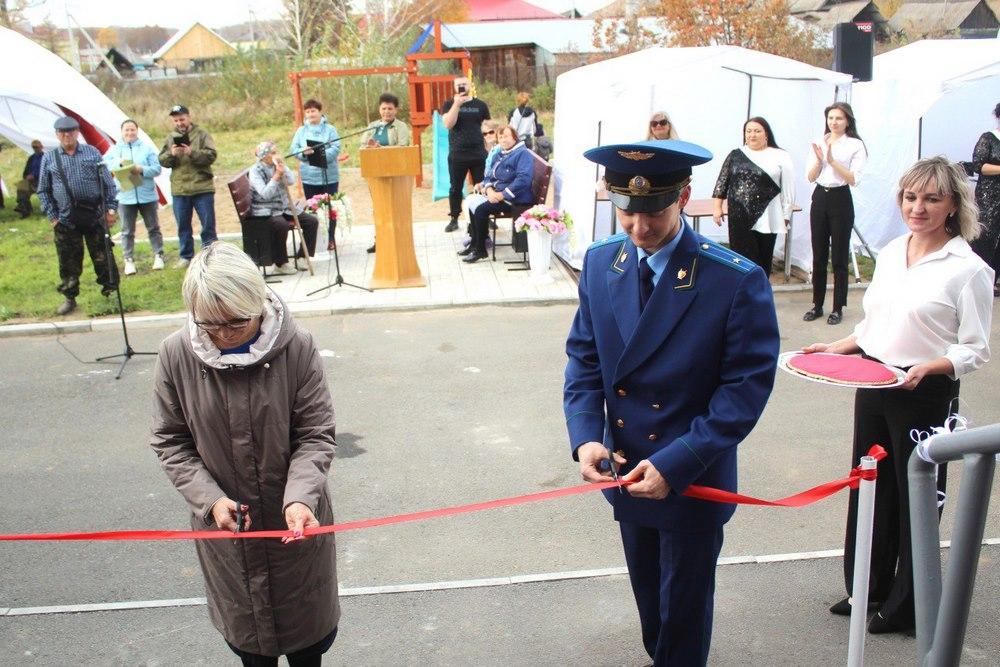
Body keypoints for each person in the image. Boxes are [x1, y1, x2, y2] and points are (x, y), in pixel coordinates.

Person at [564, 140, 780, 666]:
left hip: (690, 475)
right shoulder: (601, 263)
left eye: (653, 211)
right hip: (626, 471)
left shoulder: (733, 279)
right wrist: (587, 436)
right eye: (627, 210)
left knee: (682, 620)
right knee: (652, 614)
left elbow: (744, 389)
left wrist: (676, 462)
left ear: (684, 197)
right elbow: (585, 359)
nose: (638, 226)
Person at [803, 157, 993, 635]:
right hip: (874, 380)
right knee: (870, 485)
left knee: (917, 497)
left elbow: (975, 348)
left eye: (932, 198)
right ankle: (867, 588)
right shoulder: (890, 252)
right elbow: (875, 325)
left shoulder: (967, 268)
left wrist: (934, 366)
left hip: (925, 391)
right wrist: (839, 345)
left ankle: (908, 604)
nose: (919, 207)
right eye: (911, 197)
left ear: (952, 205)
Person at [150, 241, 340, 667]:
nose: (223, 333)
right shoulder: (175, 354)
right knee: (250, 647)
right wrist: (210, 500)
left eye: (236, 322)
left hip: (298, 527)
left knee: (307, 645)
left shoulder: (298, 348)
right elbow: (170, 440)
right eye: (209, 324)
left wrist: (300, 497)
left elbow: (315, 434)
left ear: (257, 303)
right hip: (228, 536)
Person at [37, 116, 119, 316]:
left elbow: (108, 184)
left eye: (71, 131)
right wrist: (53, 216)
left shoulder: (92, 152)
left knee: (104, 257)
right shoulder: (49, 158)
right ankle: (70, 297)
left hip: (95, 216)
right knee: (68, 262)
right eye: (63, 132)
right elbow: (43, 190)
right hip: (65, 220)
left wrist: (110, 209)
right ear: (57, 135)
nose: (67, 135)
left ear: (77, 132)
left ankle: (111, 292)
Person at [803, 102, 867, 325]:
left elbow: (854, 179)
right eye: (831, 118)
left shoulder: (855, 145)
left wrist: (833, 162)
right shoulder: (818, 142)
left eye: (839, 118)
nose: (834, 122)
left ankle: (838, 307)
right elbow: (810, 177)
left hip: (841, 198)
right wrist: (821, 162)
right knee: (819, 255)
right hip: (820, 197)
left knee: (839, 257)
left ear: (847, 120)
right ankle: (817, 304)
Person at [712, 116, 795, 276]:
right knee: (741, 260)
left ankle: (761, 295)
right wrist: (717, 207)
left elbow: (789, 188)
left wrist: (786, 214)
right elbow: (722, 182)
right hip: (739, 215)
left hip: (768, 216)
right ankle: (741, 297)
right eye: (748, 131)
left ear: (766, 134)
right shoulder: (736, 154)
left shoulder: (781, 155)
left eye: (757, 131)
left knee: (763, 261)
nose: (752, 135)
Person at [457, 125, 534, 264]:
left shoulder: (522, 154)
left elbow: (523, 179)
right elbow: (488, 176)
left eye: (507, 136)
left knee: (481, 210)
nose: (503, 140)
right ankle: (474, 244)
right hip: (497, 193)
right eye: (500, 137)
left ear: (514, 137)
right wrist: (489, 190)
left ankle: (480, 250)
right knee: (472, 205)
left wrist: (502, 195)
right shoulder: (501, 153)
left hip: (516, 199)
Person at [158, 104, 218, 269]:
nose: (179, 123)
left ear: (189, 117)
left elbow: (212, 156)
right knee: (183, 225)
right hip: (180, 189)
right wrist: (172, 154)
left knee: (207, 224)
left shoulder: (202, 134)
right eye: (176, 120)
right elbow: (162, 160)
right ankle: (186, 256)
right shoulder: (171, 137)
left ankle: (211, 255)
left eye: (182, 119)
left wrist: (192, 153)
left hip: (202, 187)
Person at [246, 141, 319, 275]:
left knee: (311, 221)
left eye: (276, 152)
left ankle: (303, 256)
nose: (277, 155)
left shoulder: (277, 165)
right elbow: (265, 194)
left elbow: (290, 181)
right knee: (281, 225)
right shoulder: (255, 171)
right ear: (264, 156)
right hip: (266, 209)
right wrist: (276, 177)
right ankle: (280, 263)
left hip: (284, 207)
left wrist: (283, 168)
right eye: (273, 152)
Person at [105, 119, 164, 275]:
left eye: (132, 130)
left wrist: (142, 169)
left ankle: (158, 255)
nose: (130, 133)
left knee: (153, 227)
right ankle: (128, 259)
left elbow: (157, 169)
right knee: (126, 230)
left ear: (137, 131)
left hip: (147, 195)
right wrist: (119, 165)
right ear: (122, 132)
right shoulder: (114, 149)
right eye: (127, 130)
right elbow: (105, 164)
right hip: (125, 196)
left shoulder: (146, 148)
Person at [359, 93, 411, 253]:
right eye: (384, 108)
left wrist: (381, 149)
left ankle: (399, 240)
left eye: (390, 108)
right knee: (379, 207)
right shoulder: (373, 125)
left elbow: (403, 147)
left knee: (395, 207)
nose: (387, 112)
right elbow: (362, 144)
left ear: (396, 110)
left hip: (395, 173)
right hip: (375, 173)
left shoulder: (401, 126)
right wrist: (369, 146)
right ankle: (380, 240)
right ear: (379, 109)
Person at [441, 75, 491, 233]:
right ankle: (454, 218)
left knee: (483, 186)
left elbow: (487, 127)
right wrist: (457, 104)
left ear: (470, 85)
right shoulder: (449, 104)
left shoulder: (480, 104)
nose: (462, 87)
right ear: (454, 87)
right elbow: (448, 124)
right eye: (459, 85)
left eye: (464, 84)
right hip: (457, 154)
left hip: (478, 153)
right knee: (455, 187)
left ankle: (486, 216)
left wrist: (490, 146)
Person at [969, 101, 1000, 297]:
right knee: (986, 235)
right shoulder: (988, 138)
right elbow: (978, 166)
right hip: (990, 195)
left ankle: (994, 280)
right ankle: (979, 279)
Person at [289, 99, 347, 200]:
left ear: (320, 112)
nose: (310, 114)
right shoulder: (301, 131)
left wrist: (320, 155)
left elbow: (335, 147)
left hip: (329, 177)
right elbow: (294, 149)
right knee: (313, 209)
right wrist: (303, 152)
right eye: (307, 112)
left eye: (313, 111)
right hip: (309, 178)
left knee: (331, 208)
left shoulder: (330, 129)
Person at [14, 139, 44, 218]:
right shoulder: (31, 158)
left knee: (25, 187)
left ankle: (24, 208)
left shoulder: (46, 157)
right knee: (22, 185)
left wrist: (35, 176)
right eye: (34, 147)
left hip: (42, 181)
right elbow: (26, 171)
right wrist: (27, 176)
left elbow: (47, 171)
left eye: (37, 147)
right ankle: (24, 209)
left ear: (41, 147)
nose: (35, 149)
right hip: (31, 181)